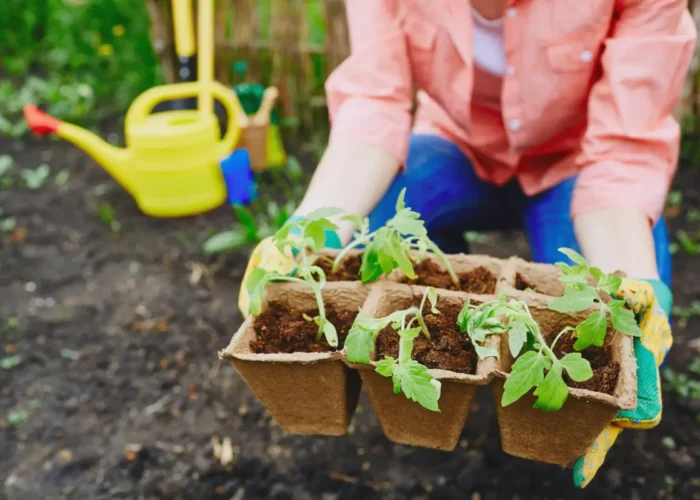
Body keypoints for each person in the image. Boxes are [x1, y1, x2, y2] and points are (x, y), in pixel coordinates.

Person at [240, 0, 694, 488]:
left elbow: (624, 151)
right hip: (456, 142)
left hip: (577, 162)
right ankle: (440, 355)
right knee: (379, 235)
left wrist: (632, 278)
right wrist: (309, 232)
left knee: (602, 317)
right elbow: (373, 101)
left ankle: (554, 429)